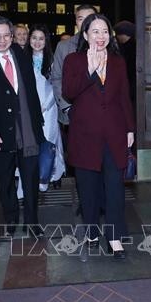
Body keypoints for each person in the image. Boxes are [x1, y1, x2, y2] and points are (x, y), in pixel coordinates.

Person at [62, 14, 135, 259]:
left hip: (114, 134)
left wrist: (130, 129)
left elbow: (124, 97)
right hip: (85, 136)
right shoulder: (73, 60)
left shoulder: (117, 61)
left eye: (105, 31)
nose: (101, 36)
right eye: (95, 31)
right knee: (88, 189)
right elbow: (69, 92)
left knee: (115, 188)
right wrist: (90, 71)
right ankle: (92, 231)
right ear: (85, 35)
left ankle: (114, 237)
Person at [0, 16, 45, 238]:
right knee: (5, 179)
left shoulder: (21, 54)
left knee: (31, 178)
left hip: (28, 129)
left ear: (12, 36)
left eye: (6, 35)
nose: (2, 40)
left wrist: (38, 121)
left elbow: (31, 91)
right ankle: (10, 219)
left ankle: (32, 222)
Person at [28, 24, 65, 190]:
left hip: (48, 108)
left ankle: (54, 175)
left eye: (41, 39)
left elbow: (57, 86)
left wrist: (46, 105)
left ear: (46, 41)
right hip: (29, 109)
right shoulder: (23, 59)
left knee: (50, 142)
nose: (37, 42)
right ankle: (36, 176)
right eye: (34, 38)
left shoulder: (52, 60)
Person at [50, 4, 97, 127]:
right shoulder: (64, 46)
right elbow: (56, 78)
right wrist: (67, 108)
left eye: (90, 18)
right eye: (81, 19)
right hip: (72, 111)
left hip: (100, 112)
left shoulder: (105, 44)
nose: (86, 22)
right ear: (76, 21)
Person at [113, 20, 136, 104]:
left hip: (130, 87)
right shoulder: (136, 46)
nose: (116, 37)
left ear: (123, 34)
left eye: (117, 34)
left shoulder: (126, 49)